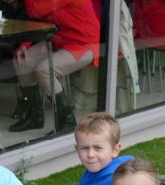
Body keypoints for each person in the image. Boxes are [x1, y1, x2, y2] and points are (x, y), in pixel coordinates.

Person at [9, 0, 101, 132]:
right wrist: (25, 44)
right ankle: (34, 117)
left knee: (45, 69)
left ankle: (67, 122)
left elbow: (34, 10)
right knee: (23, 61)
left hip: (84, 44)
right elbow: (38, 21)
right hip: (60, 41)